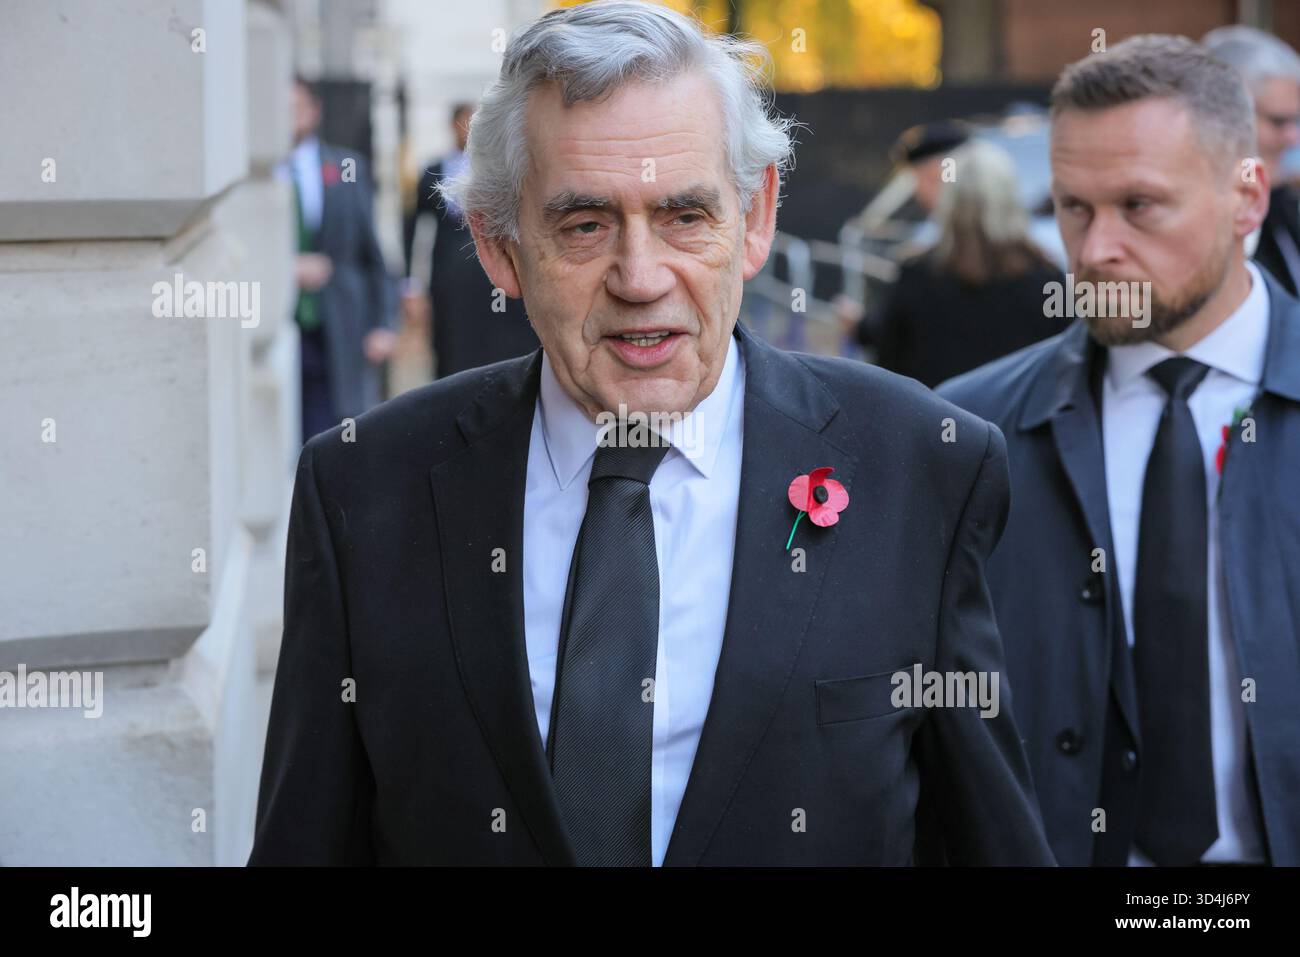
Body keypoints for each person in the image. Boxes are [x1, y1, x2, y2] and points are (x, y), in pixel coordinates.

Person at [249, 0, 1052, 867]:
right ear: (497, 245)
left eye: (685, 216)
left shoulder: (920, 465)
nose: (641, 277)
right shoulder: (364, 488)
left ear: (756, 217)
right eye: (585, 225)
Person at [939, 35, 1300, 866]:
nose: (1096, 248)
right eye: (1073, 207)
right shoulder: (966, 432)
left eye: (1139, 205)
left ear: (1248, 199)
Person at [856, 138, 1068, 387]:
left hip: (934, 410)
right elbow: (1066, 366)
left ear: (950, 198)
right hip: (1022, 411)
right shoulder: (1048, 279)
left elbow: (889, 365)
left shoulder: (916, 275)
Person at [285, 76, 397, 443]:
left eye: (296, 107)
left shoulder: (347, 168)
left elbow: (372, 253)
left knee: (333, 435)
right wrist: (283, 270)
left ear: (314, 111)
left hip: (338, 325)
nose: (289, 117)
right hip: (279, 322)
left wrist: (383, 322)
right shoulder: (256, 176)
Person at [403, 102, 539, 377]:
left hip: (490, 270)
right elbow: (413, 226)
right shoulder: (433, 170)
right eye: (461, 123)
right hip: (448, 271)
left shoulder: (502, 168)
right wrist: (410, 283)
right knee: (451, 339)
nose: (466, 131)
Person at [1203, 26, 1300, 296]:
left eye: (1296, 120)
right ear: (1223, 115)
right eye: (1278, 121)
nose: (1293, 138)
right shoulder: (1200, 225)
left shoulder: (1281, 201)